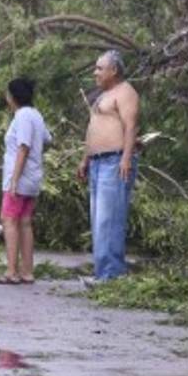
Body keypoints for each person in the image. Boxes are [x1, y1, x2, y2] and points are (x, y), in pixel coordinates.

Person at [75, 49, 139, 283]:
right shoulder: (104, 95)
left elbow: (131, 127)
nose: (95, 73)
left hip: (115, 162)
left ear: (114, 70)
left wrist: (126, 158)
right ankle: (103, 273)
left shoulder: (125, 92)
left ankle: (111, 276)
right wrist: (85, 159)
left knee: (109, 220)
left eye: (100, 68)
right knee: (98, 221)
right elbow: (93, 128)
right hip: (97, 163)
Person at [0, 77, 51, 285]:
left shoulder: (23, 115)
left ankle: (12, 271)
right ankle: (27, 271)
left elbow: (23, 147)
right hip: (33, 177)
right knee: (24, 222)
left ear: (13, 96)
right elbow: (47, 139)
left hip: (20, 179)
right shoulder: (36, 115)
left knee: (9, 220)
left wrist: (14, 180)